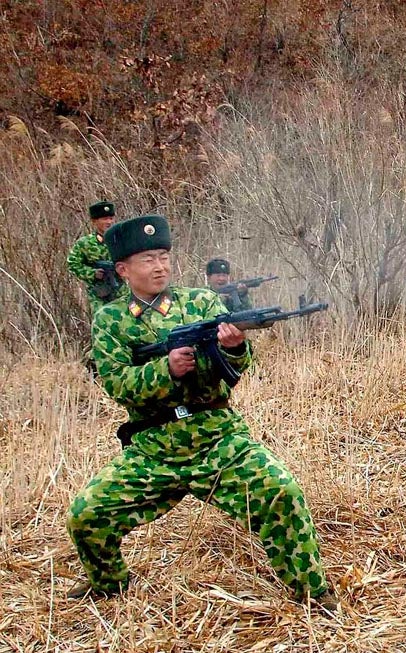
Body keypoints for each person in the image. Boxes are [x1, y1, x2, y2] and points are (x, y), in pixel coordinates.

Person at [65, 215, 337, 609]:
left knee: (283, 491)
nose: (159, 266)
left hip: (216, 435)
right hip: (152, 447)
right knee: (86, 516)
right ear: (122, 270)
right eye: (147, 259)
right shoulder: (110, 320)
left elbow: (235, 373)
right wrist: (167, 369)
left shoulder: (201, 302)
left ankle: (313, 592)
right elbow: (115, 383)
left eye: (163, 256)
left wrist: (233, 347)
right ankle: (108, 585)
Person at [67, 201, 125, 315]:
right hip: (99, 293)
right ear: (94, 221)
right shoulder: (85, 243)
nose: (109, 222)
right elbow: (72, 264)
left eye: (111, 218)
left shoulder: (121, 240)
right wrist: (92, 273)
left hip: (122, 291)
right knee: (102, 321)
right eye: (104, 219)